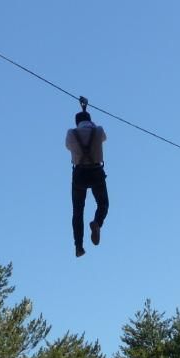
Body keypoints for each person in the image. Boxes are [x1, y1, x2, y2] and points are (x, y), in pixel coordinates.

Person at [65, 108, 108, 257]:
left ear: (77, 123)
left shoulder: (71, 134)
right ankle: (97, 223)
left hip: (79, 174)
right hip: (96, 172)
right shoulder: (98, 131)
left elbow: (68, 146)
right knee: (103, 204)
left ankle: (78, 246)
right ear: (90, 121)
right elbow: (103, 137)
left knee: (78, 211)